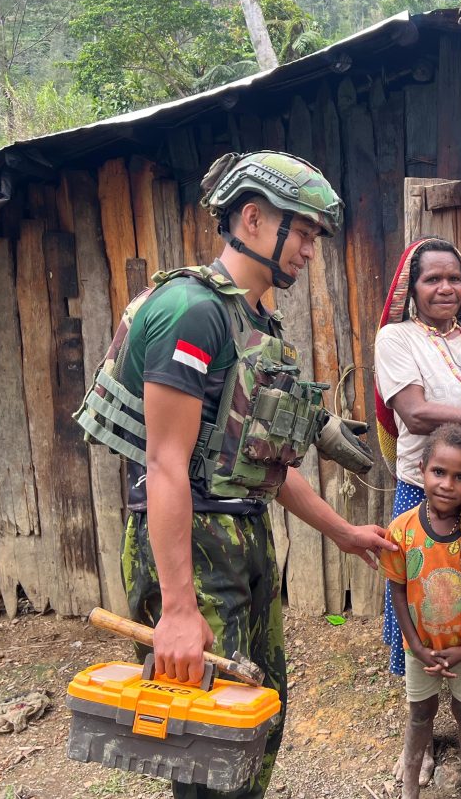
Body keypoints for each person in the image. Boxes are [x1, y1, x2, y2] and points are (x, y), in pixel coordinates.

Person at [75, 150, 397, 799]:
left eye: (313, 235)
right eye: (302, 231)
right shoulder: (190, 311)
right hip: (190, 544)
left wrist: (343, 533)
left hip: (245, 540)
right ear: (252, 219)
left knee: (255, 721)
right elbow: (165, 464)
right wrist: (178, 609)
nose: (310, 248)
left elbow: (266, 471)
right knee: (205, 749)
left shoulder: (258, 324)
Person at [374, 237, 461, 781]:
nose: (444, 287)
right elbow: (413, 412)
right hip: (423, 488)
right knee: (418, 600)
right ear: (412, 288)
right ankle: (421, 734)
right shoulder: (396, 337)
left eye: (453, 277)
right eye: (431, 278)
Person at [380, 424, 461, 799]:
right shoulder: (402, 530)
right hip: (421, 651)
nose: (446, 484)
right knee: (419, 714)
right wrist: (415, 644)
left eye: (460, 477)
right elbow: (397, 589)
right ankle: (409, 787)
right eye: (439, 472)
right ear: (422, 468)